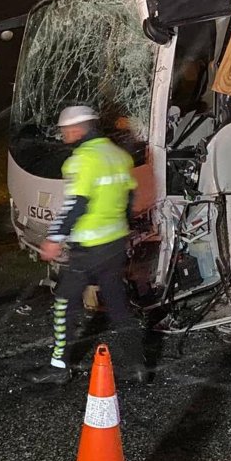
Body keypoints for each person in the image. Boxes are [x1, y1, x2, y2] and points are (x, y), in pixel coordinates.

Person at [30, 105, 145, 384]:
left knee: (63, 303)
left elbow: (76, 203)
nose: (63, 135)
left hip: (89, 247)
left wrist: (54, 239)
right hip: (114, 244)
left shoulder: (82, 159)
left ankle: (58, 368)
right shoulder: (119, 156)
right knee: (118, 306)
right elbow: (129, 199)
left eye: (65, 130)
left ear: (77, 129)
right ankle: (138, 367)